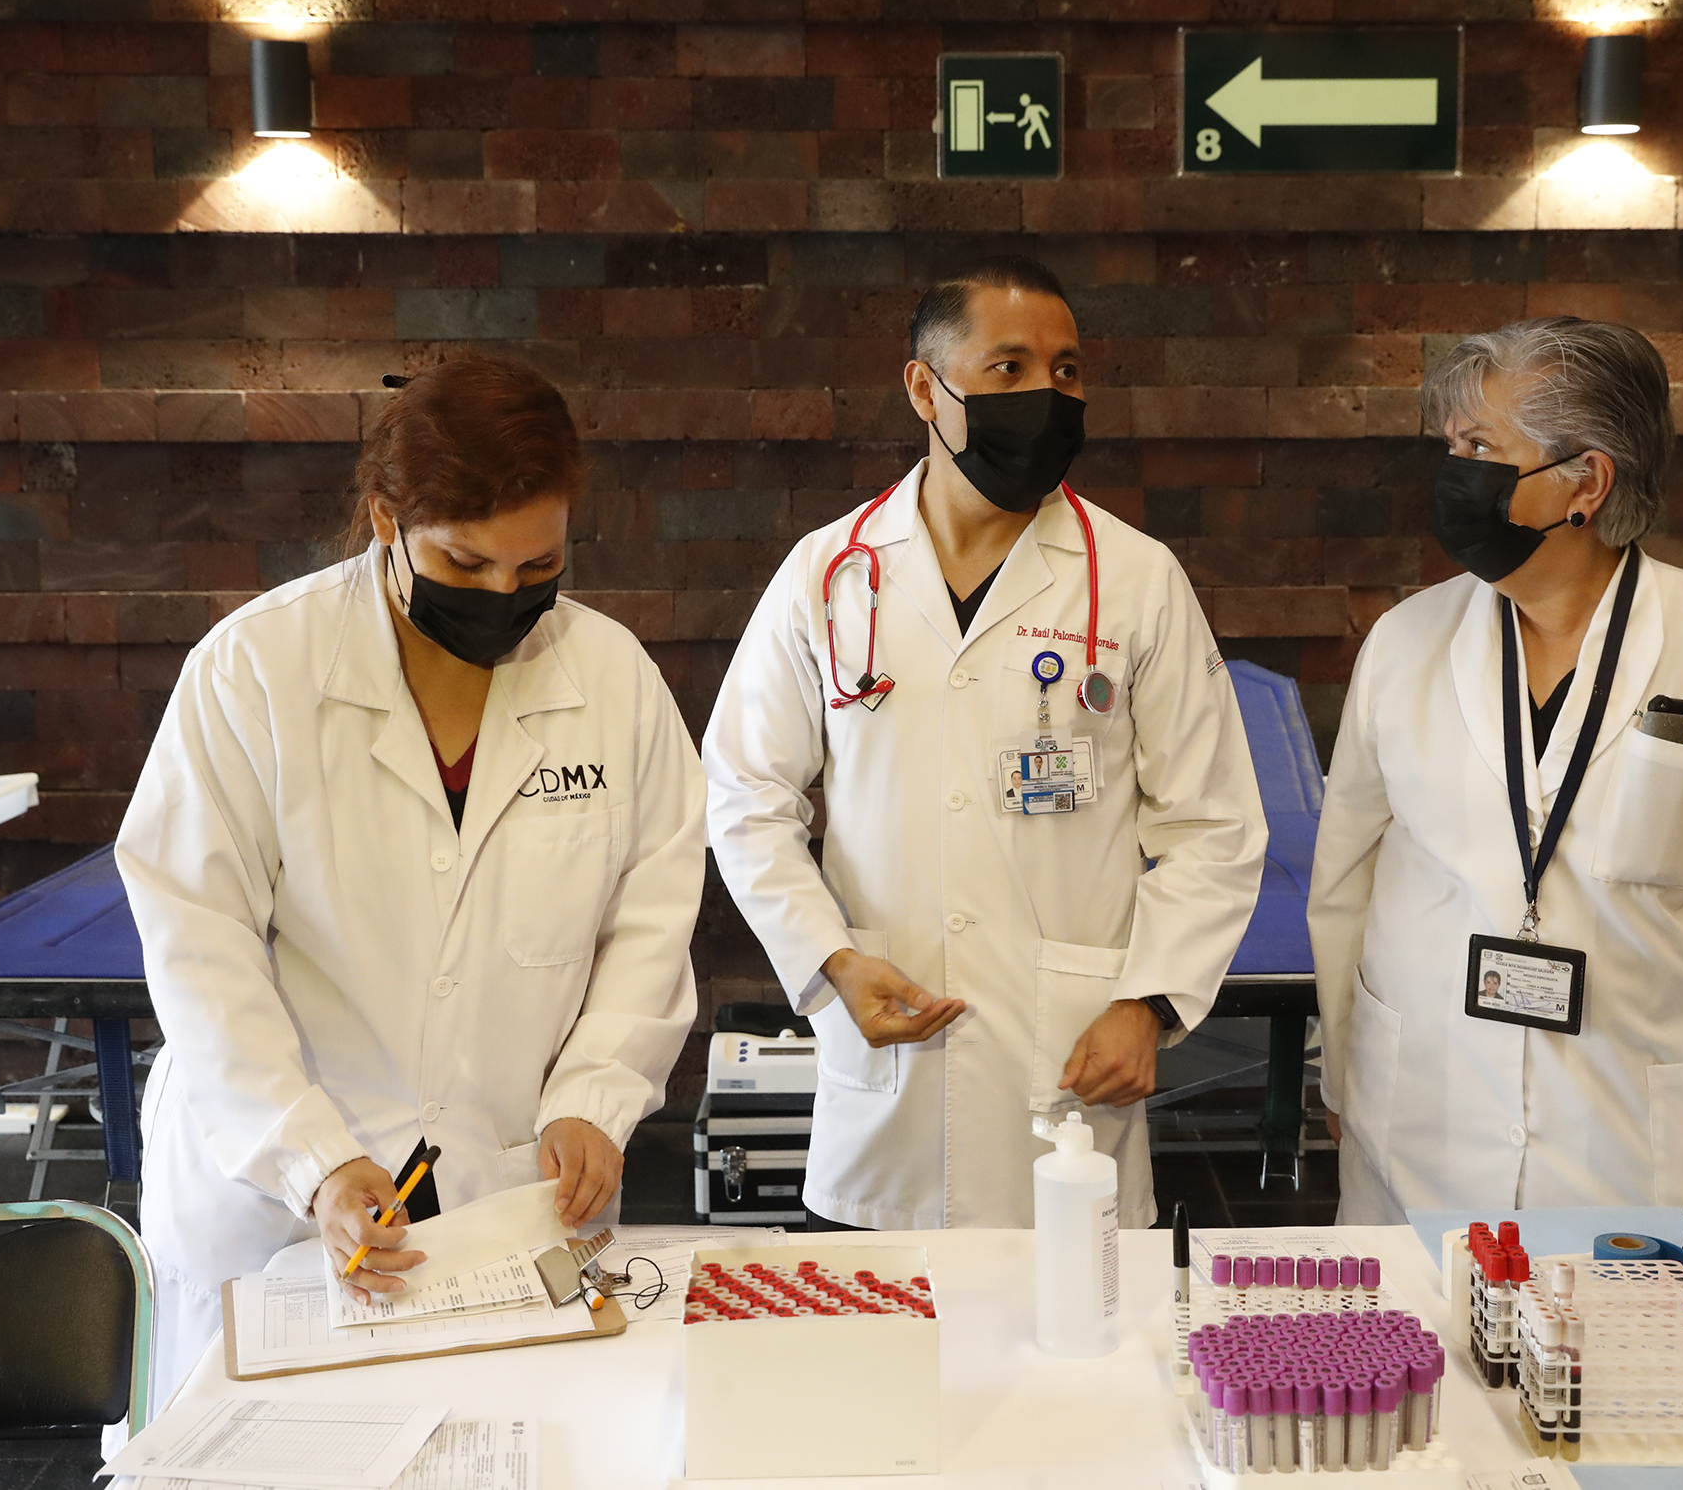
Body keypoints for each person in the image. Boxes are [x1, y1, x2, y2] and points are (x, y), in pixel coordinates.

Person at [117, 357, 703, 1406]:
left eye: (537, 566)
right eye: (466, 563)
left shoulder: (612, 680)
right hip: (276, 1199)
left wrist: (596, 1096)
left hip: (503, 1188)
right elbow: (199, 941)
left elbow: (651, 918)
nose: (504, 596)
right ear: (387, 519)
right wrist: (312, 1159)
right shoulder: (257, 671)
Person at [703, 256, 1266, 1230]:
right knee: (884, 1320)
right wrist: (830, 960)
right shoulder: (827, 575)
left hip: (1068, 1068)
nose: (1046, 394)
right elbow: (745, 795)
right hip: (887, 1080)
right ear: (925, 389)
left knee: (1073, 1309)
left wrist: (1149, 1002)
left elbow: (1213, 825)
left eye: (1066, 370)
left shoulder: (1136, 581)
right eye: (1009, 368)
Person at [1310, 316, 1683, 1224]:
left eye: (1480, 448)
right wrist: (1340, 1074)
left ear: (1586, 482)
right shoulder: (1405, 642)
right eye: (1451, 447)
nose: (1453, 474)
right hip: (1417, 1134)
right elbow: (1344, 885)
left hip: (1630, 1155)